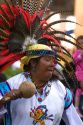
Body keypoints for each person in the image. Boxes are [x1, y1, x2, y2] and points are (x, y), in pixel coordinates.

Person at [0, 1, 83, 125]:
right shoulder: (11, 85)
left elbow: (75, 121)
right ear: (33, 63)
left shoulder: (61, 90)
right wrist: (9, 97)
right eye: (47, 60)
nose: (52, 64)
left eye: (53, 60)